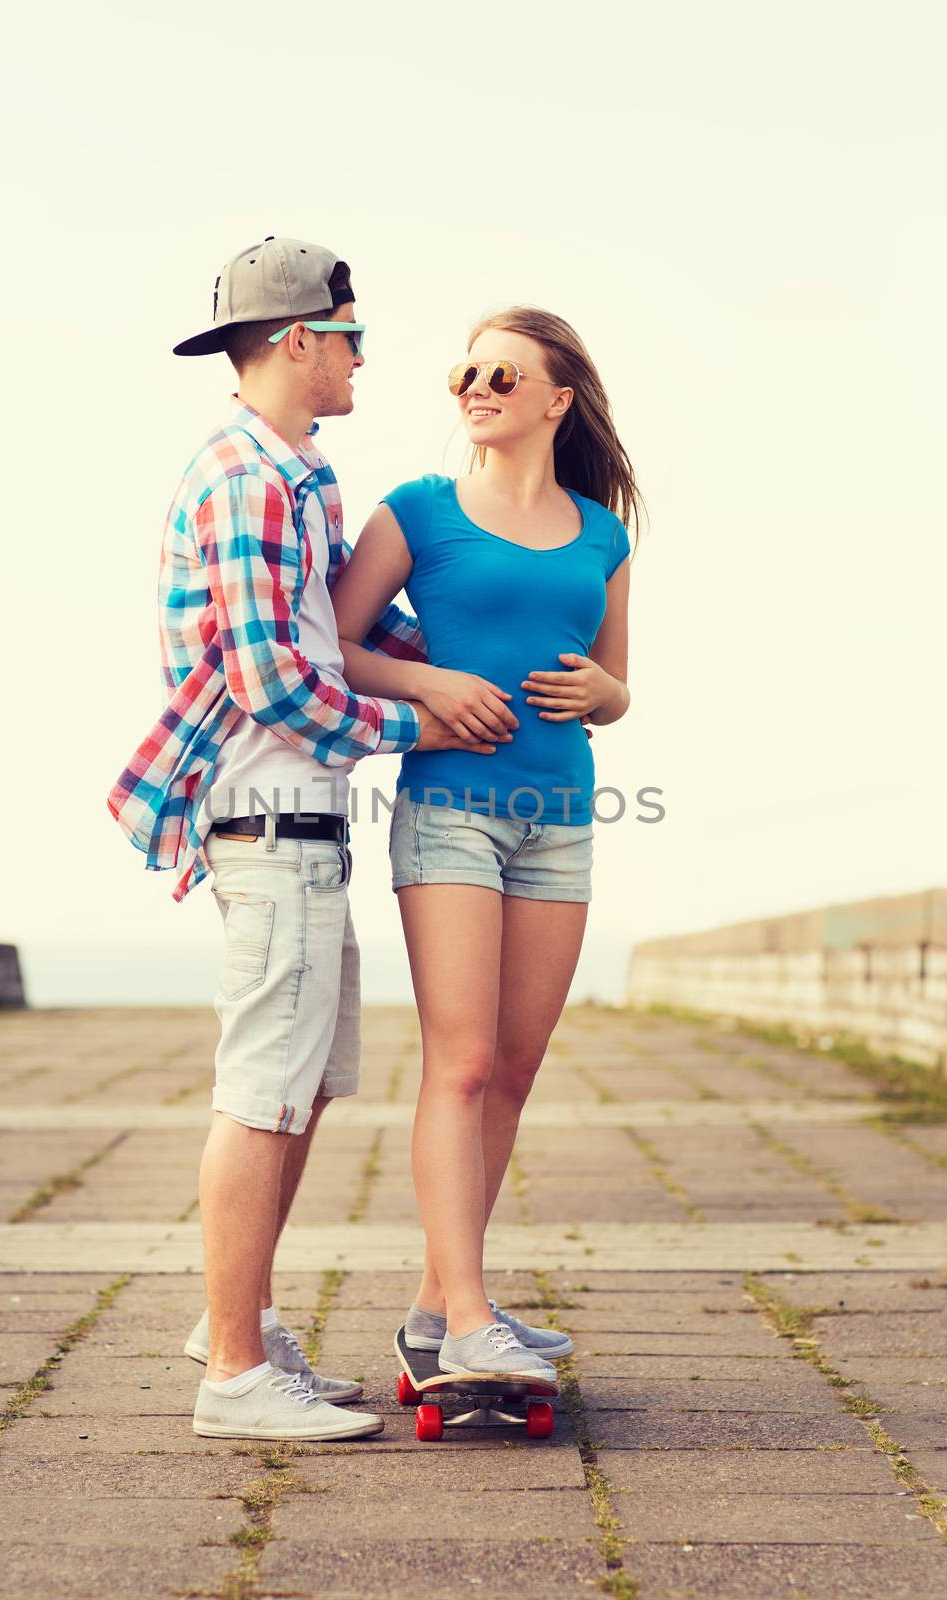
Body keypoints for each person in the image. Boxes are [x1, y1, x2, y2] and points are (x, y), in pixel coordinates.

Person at [106, 237, 512, 1441]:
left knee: (305, 1090)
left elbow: (350, 613)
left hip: (306, 825)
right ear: (298, 340)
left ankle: (245, 1326)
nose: (361, 361)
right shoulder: (243, 475)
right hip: (268, 817)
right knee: (262, 1095)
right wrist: (423, 711)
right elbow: (280, 679)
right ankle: (232, 1374)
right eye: (351, 339)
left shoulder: (300, 474)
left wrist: (441, 641)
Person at [330, 305, 642, 1382]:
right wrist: (428, 680)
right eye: (467, 371)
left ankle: (438, 1309)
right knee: (459, 1064)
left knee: (513, 1067)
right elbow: (338, 643)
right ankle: (467, 1323)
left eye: (503, 375)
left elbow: (614, 685)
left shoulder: (605, 533)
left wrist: (610, 692)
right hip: (450, 810)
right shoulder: (415, 511)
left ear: (557, 398)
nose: (477, 386)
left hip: (560, 822)